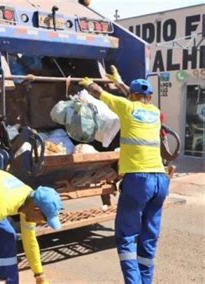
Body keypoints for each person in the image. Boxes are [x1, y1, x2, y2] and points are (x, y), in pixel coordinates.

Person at [79, 67, 169, 284]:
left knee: (126, 237)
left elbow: (100, 93)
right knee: (149, 237)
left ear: (132, 95)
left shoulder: (126, 107)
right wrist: (119, 81)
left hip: (139, 181)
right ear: (149, 97)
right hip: (160, 180)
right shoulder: (156, 112)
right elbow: (135, 96)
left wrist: (87, 83)